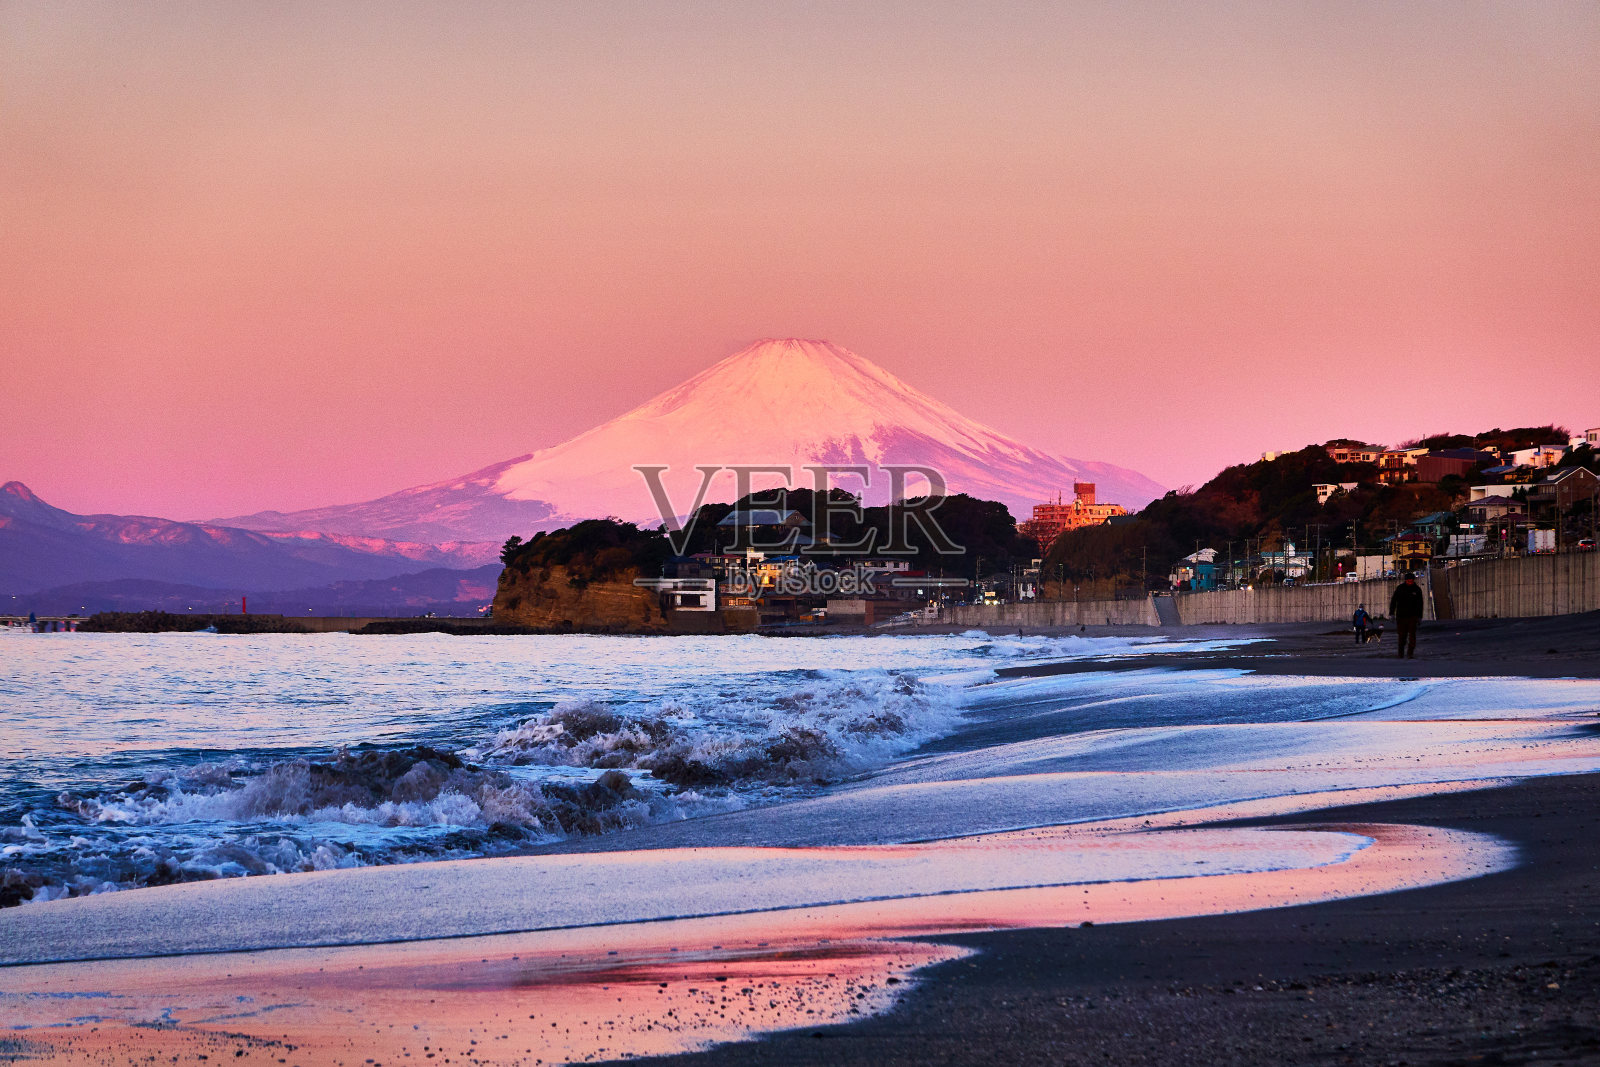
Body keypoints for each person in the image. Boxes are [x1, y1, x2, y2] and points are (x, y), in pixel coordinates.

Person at [1389, 572, 1425, 659]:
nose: (1410, 582)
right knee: (1402, 636)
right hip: (1401, 616)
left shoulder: (1417, 590)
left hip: (1413, 616)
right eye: (1408, 580)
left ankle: (1410, 653)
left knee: (1412, 636)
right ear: (1405, 580)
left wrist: (1419, 616)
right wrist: (1391, 613)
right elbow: (1394, 601)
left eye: (1411, 580)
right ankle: (1400, 654)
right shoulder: (1400, 588)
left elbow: (1420, 604)